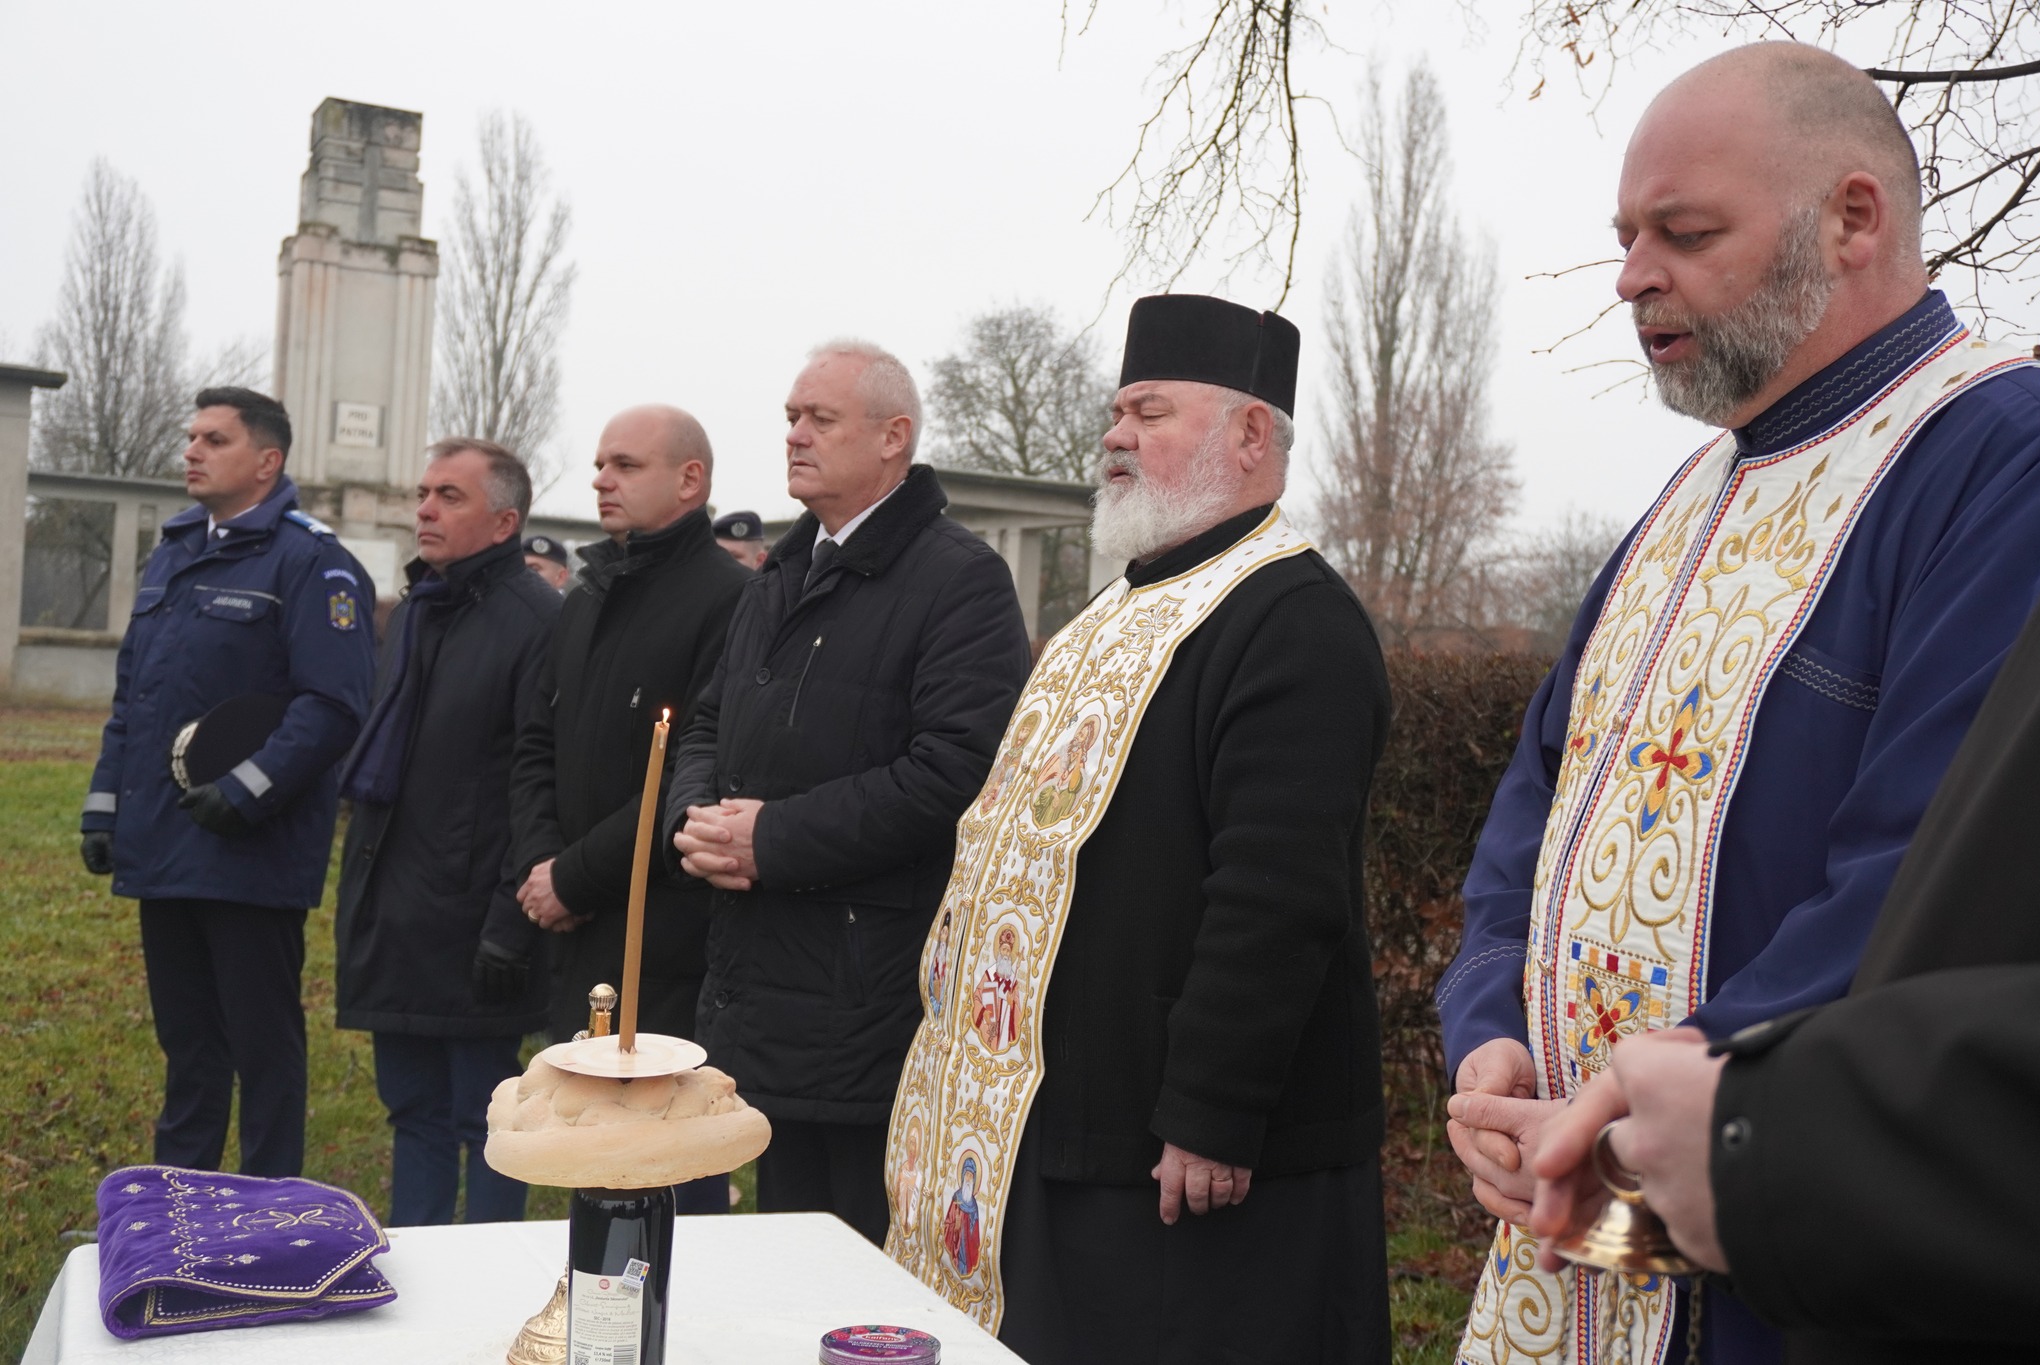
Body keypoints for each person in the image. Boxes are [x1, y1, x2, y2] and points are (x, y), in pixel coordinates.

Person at [1434, 42, 2040, 1365]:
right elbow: (1533, 807)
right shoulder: (1684, 500)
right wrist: (1491, 1037)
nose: (1630, 276)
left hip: (1781, 1242)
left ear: (1852, 219)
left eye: (1685, 232)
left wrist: (1670, 1093)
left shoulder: (2006, 456)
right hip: (1571, 1222)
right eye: (1625, 238)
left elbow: (1921, 876)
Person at [886, 294, 1394, 1364]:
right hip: (1066, 1125)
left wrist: (1210, 1107)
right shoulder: (1110, 613)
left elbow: (1277, 892)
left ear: (1248, 433)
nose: (1114, 435)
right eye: (1116, 412)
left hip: (1187, 1154)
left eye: (1148, 412)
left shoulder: (1292, 617)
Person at [1528, 584, 2040, 1363]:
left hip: (1809, 1232)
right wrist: (1487, 1018)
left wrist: (1752, 1124)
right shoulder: (1653, 529)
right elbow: (1538, 785)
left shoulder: (1996, 513)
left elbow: (1899, 860)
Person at [667, 340, 1030, 1245]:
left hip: (869, 998)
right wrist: (696, 820)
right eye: (791, 417)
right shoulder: (781, 574)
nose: (794, 435)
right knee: (784, 1248)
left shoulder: (960, 579)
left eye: (820, 419)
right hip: (759, 980)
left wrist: (773, 839)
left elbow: (958, 770)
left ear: (893, 436)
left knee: (857, 1261)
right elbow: (707, 721)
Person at [79, 386, 375, 1178]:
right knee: (188, 1045)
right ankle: (180, 1198)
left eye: (215, 439)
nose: (192, 450)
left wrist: (246, 790)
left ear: (266, 461)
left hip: (251, 851)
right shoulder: (175, 552)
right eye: (192, 437)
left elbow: (333, 705)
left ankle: (269, 1205)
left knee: (262, 1047)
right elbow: (136, 699)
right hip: (165, 842)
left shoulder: (312, 563)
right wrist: (105, 806)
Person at [508, 404, 749, 1214]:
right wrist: (540, 864)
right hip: (570, 926)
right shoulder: (587, 595)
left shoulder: (728, 599)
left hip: (664, 934)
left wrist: (574, 877)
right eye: (600, 464)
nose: (601, 480)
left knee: (668, 1163)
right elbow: (535, 740)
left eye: (626, 465)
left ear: (690, 479)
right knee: (591, 1161)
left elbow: (688, 770)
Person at [332, 438, 560, 1226]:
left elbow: (540, 785)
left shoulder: (538, 622)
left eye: (449, 496)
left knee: (486, 1122)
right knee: (412, 1112)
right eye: (424, 493)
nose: (425, 509)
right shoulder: (415, 610)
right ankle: (421, 1267)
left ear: (503, 523)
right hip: (396, 911)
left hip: (475, 924)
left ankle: (491, 1279)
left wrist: (509, 926)